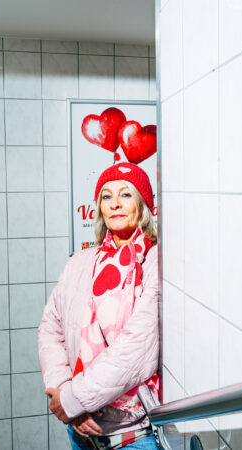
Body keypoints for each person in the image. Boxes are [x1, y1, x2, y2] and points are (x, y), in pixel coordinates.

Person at [38, 162, 160, 449]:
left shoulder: (156, 262)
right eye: (107, 196)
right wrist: (65, 391)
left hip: (134, 435)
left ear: (142, 205)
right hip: (82, 432)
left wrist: (72, 400)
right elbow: (49, 329)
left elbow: (136, 350)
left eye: (126, 195)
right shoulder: (79, 263)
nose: (115, 204)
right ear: (100, 208)